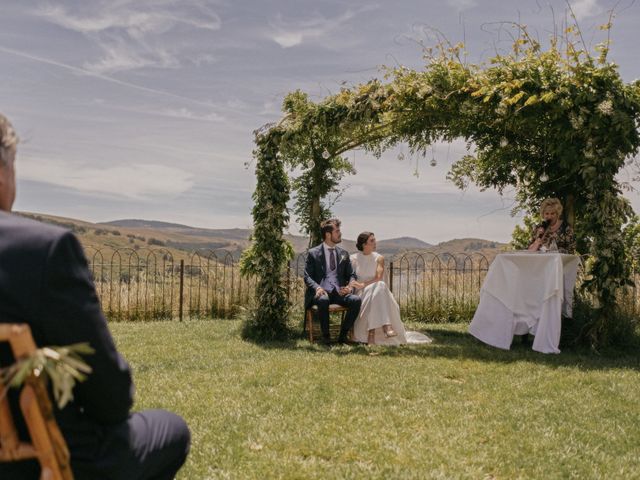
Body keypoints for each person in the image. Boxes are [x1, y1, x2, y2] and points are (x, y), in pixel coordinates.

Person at [0, 113, 190, 480]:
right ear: (4, 168)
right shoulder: (43, 251)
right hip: (52, 460)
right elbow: (111, 400)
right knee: (173, 429)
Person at [350, 232, 432, 345]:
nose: (375, 243)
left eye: (375, 240)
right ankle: (386, 326)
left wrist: (363, 284)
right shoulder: (353, 259)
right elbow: (349, 279)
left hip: (378, 293)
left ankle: (372, 334)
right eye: (372, 241)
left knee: (380, 286)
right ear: (364, 244)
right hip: (362, 293)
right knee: (379, 288)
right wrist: (357, 286)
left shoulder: (379, 258)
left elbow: (378, 278)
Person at [304, 218, 361, 344]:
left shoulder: (343, 254)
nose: (340, 234)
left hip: (338, 292)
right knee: (323, 300)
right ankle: (326, 337)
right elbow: (307, 276)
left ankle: (343, 336)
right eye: (337, 231)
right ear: (328, 235)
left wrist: (349, 287)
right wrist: (317, 288)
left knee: (356, 300)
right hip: (320, 292)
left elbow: (352, 274)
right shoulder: (313, 253)